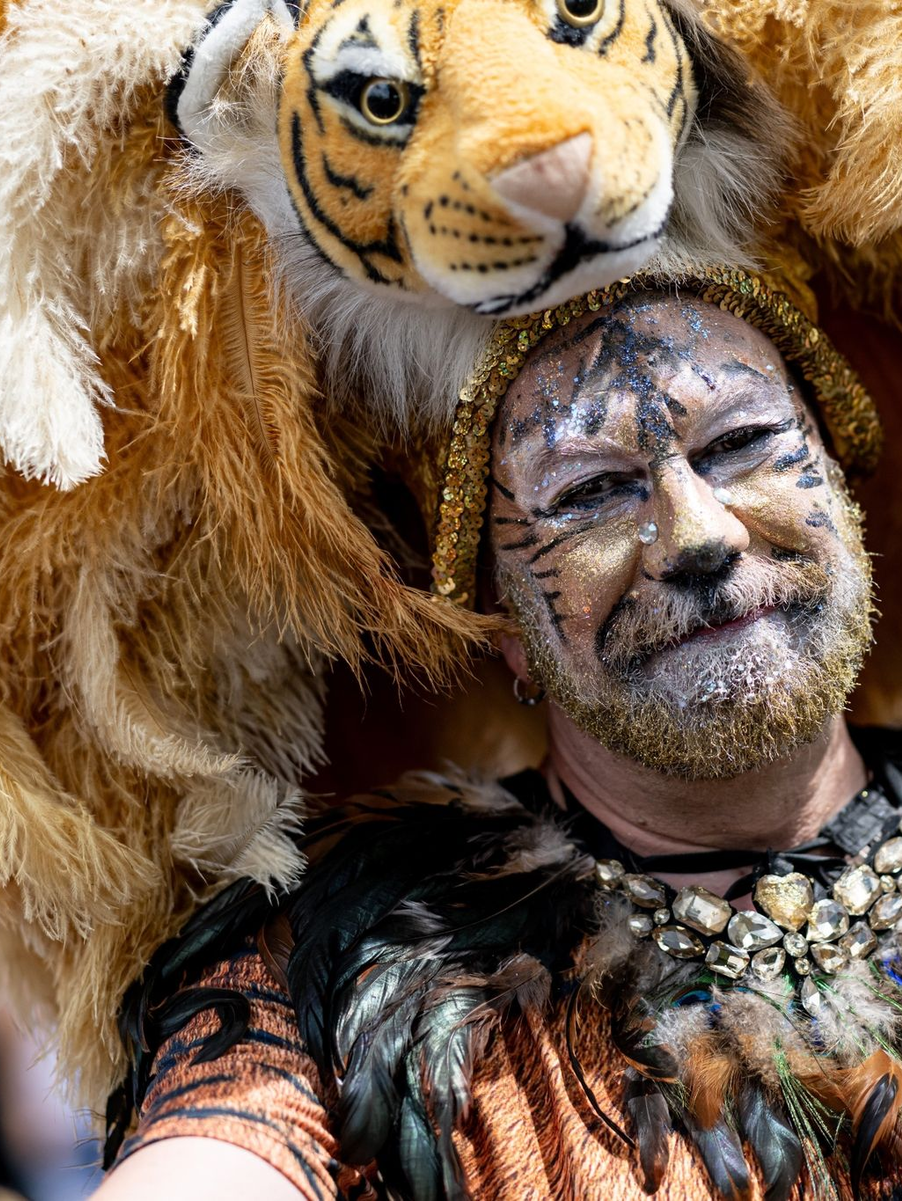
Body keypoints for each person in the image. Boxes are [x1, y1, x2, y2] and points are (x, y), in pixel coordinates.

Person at [96, 272, 901, 1199]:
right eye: (592, 491)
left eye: (741, 442)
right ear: (505, 622)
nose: (697, 533)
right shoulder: (347, 962)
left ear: (841, 488)